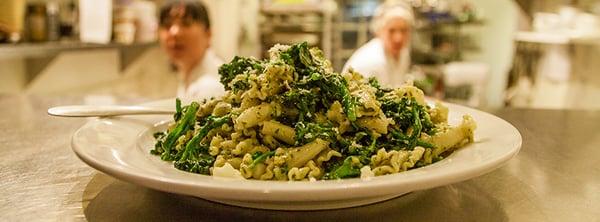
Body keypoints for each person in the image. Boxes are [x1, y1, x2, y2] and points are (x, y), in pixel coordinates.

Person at [158, 1, 224, 99]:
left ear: (208, 34)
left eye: (186, 23)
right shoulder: (187, 74)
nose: (174, 32)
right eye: (167, 25)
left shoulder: (210, 88)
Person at [343, 2, 413, 87]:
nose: (398, 38)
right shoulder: (371, 61)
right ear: (379, 31)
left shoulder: (403, 54)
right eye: (391, 31)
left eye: (403, 30)